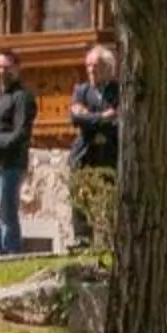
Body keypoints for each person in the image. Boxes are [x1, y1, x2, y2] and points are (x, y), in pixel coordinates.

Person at [0, 50, 36, 258]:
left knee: (5, 214)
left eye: (7, 67)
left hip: (10, 165)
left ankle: (11, 253)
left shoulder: (23, 97)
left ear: (17, 69)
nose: (2, 71)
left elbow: (21, 134)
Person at [67, 44, 119, 246]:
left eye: (95, 66)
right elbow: (76, 119)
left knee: (110, 199)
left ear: (108, 67)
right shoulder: (81, 91)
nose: (91, 70)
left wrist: (89, 117)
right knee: (81, 198)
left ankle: (110, 241)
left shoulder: (118, 91)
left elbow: (117, 117)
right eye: (88, 65)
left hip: (109, 153)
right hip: (84, 154)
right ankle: (82, 241)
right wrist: (102, 117)